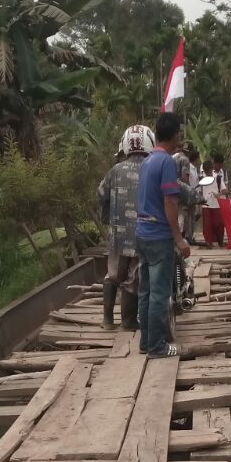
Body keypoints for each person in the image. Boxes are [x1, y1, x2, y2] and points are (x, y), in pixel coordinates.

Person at [135, 112, 190, 358]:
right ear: (175, 134)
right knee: (159, 293)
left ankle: (146, 342)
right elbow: (170, 202)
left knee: (145, 291)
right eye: (179, 131)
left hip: (142, 234)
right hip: (158, 236)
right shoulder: (167, 162)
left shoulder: (148, 161)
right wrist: (179, 238)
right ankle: (157, 347)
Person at [96, 125, 152, 330]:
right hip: (142, 234)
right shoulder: (152, 168)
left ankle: (107, 319)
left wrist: (108, 216)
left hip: (118, 235)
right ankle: (128, 321)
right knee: (132, 277)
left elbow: (101, 194)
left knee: (113, 274)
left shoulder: (115, 170)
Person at [199, 160, 225, 247]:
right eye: (206, 171)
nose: (207, 173)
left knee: (218, 223)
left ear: (212, 169)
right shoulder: (202, 179)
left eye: (209, 171)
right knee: (207, 225)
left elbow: (225, 190)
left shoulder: (218, 178)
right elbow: (199, 192)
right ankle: (208, 242)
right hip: (206, 204)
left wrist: (218, 194)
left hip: (216, 204)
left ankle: (220, 240)